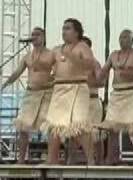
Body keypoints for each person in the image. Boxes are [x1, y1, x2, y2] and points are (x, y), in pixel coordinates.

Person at [41, 18, 95, 165]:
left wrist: (72, 57)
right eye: (63, 28)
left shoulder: (82, 47)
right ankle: (52, 159)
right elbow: (46, 65)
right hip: (59, 89)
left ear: (76, 32)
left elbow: (90, 65)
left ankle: (91, 160)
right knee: (54, 125)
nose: (64, 31)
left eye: (68, 28)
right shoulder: (57, 49)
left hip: (78, 87)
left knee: (79, 125)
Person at [1, 27, 55, 164]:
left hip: (46, 93)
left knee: (48, 125)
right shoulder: (26, 56)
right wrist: (6, 83)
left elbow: (59, 71)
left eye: (37, 34)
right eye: (32, 35)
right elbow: (17, 72)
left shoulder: (51, 54)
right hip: (31, 93)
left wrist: (53, 80)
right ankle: (21, 159)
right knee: (23, 126)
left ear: (43, 37)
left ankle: (51, 158)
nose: (34, 37)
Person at [97, 29, 133, 165]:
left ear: (132, 40)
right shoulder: (114, 55)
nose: (122, 40)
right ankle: (110, 159)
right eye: (120, 37)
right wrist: (97, 78)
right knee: (112, 128)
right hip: (117, 94)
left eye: (125, 37)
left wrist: (131, 74)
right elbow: (104, 71)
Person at [66, 36, 104, 165]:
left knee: (95, 133)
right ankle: (71, 159)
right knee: (73, 132)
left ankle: (98, 161)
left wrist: (84, 81)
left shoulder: (95, 63)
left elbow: (101, 82)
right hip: (77, 102)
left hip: (92, 101)